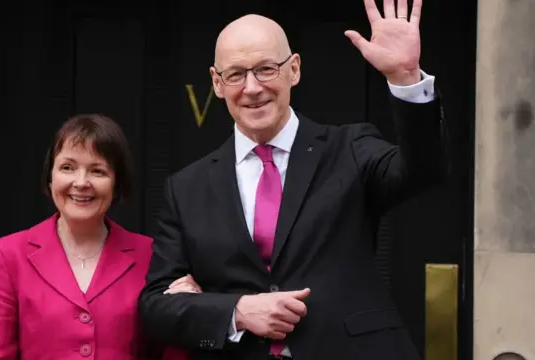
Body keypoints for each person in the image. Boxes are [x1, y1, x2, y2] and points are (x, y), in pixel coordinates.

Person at [139, 0, 448, 359]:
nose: (252, 88)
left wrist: (405, 78)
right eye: (236, 74)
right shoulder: (187, 187)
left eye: (266, 69)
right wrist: (236, 311)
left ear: (294, 69)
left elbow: (424, 171)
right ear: (217, 83)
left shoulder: (348, 148)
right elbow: (156, 307)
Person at [0, 114, 200, 360]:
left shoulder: (151, 255)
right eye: (67, 168)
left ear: (117, 183)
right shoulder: (7, 255)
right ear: (50, 176)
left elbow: (170, 353)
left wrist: (185, 312)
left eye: (97, 171)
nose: (81, 183)